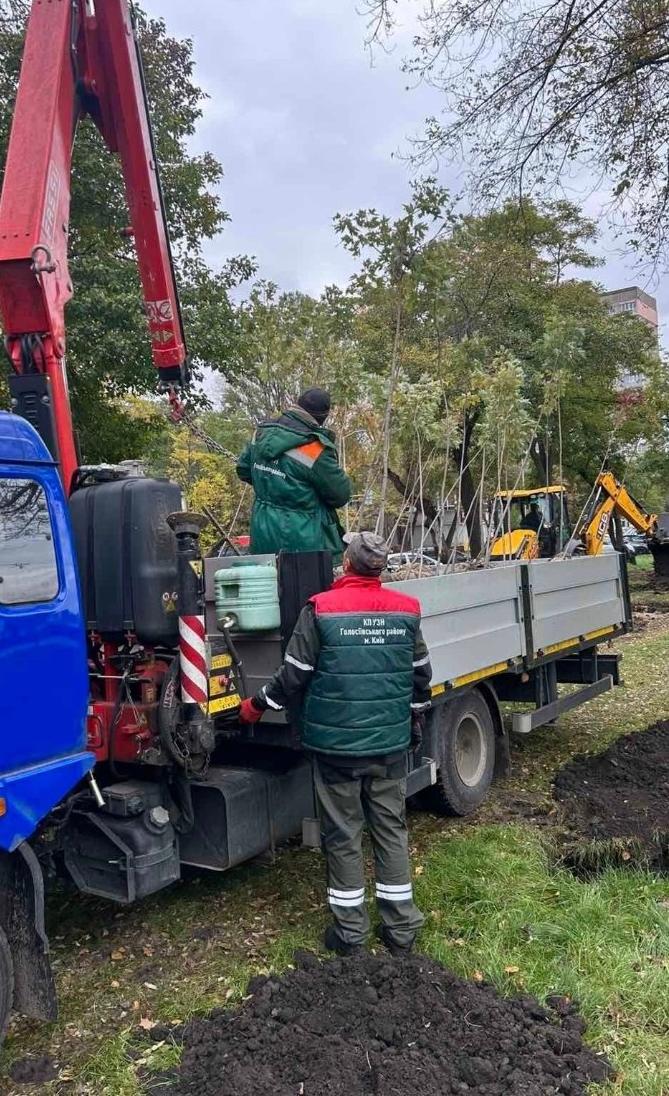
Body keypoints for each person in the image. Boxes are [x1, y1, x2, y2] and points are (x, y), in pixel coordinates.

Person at [239, 531, 432, 957]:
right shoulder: (407, 610)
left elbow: (294, 675)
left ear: (347, 564)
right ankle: (401, 932)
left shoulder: (321, 608)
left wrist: (255, 706)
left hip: (336, 750)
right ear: (380, 568)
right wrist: (413, 719)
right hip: (388, 746)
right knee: (391, 829)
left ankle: (350, 937)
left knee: (343, 835)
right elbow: (421, 676)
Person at [236, 388, 351, 557]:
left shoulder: (260, 433)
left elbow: (244, 470)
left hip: (262, 531)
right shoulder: (315, 449)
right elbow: (340, 495)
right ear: (322, 418)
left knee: (269, 581)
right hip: (304, 540)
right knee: (306, 583)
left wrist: (274, 483)